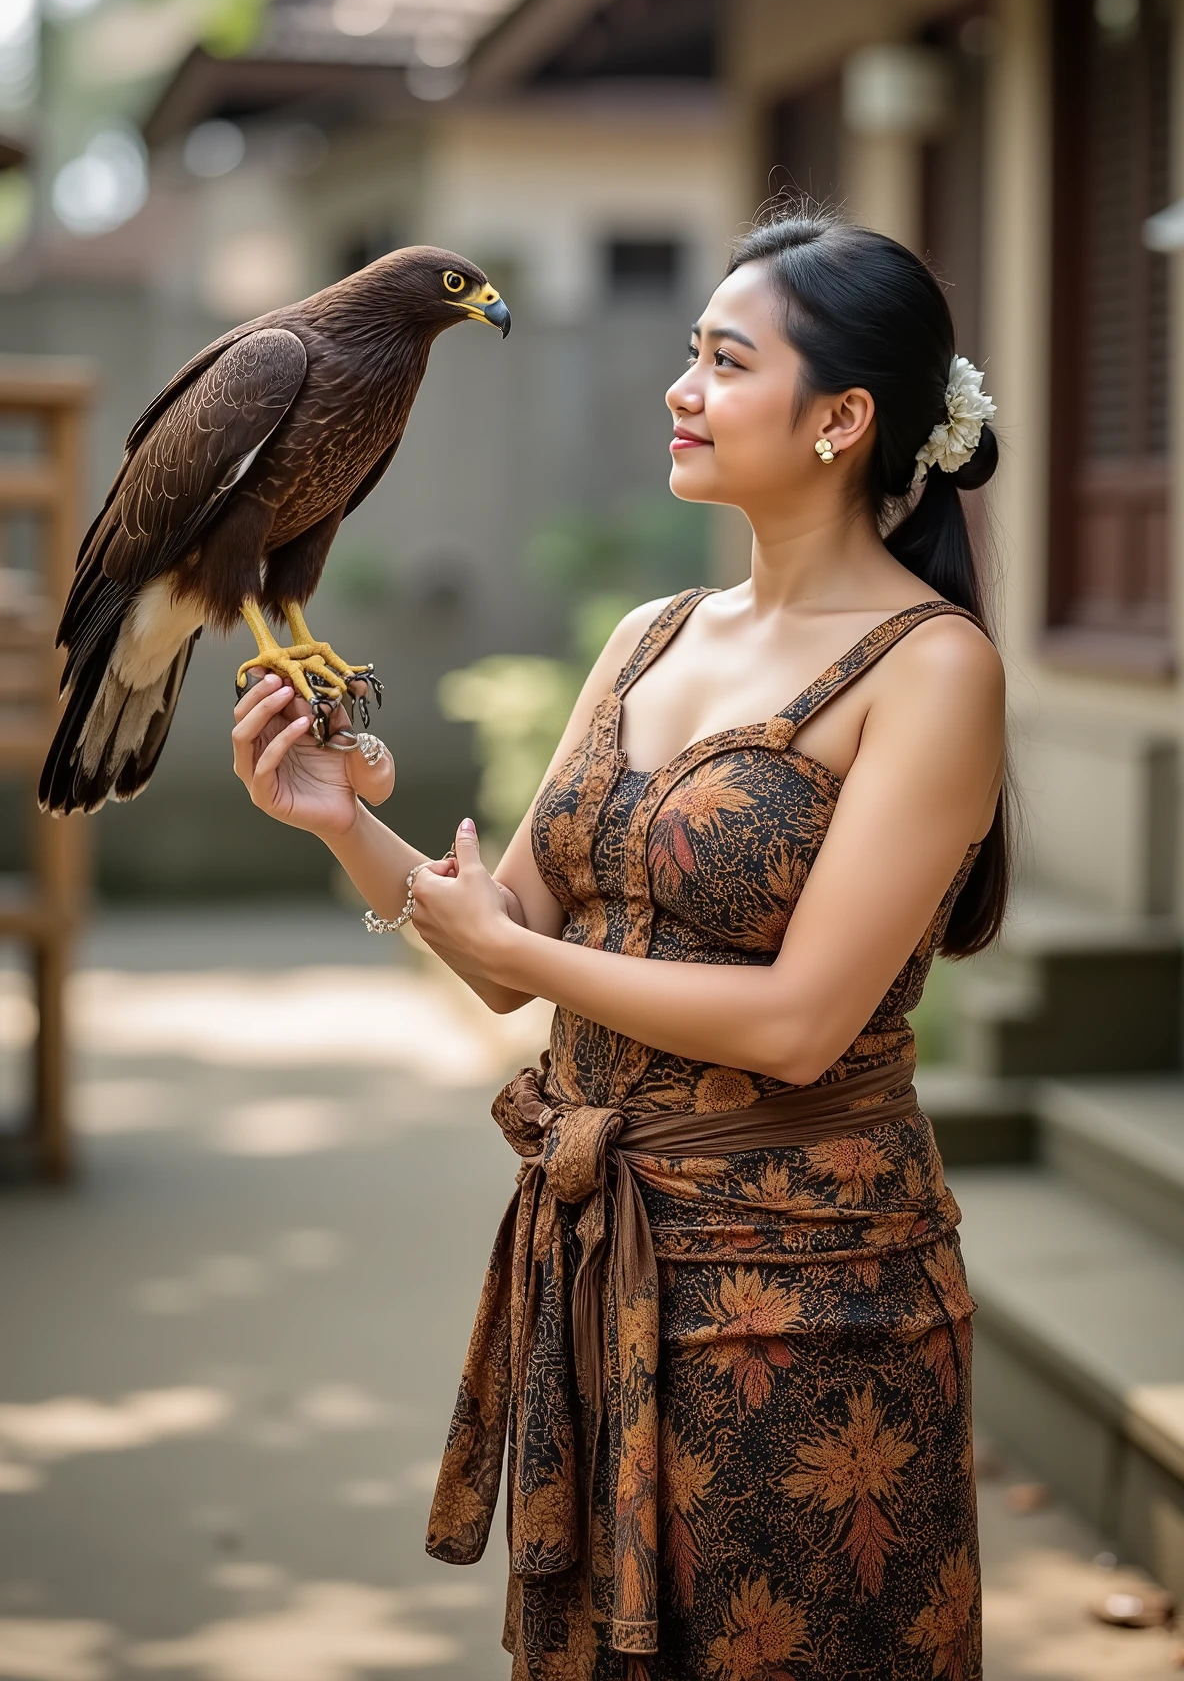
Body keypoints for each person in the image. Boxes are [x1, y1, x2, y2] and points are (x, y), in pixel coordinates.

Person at [231, 206, 1006, 1681]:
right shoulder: (651, 634)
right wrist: (343, 823)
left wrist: (520, 959)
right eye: (691, 351)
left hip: (813, 1304)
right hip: (599, 1270)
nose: (680, 386)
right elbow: (504, 932)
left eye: (727, 360)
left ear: (843, 419)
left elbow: (799, 1025)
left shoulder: (932, 667)